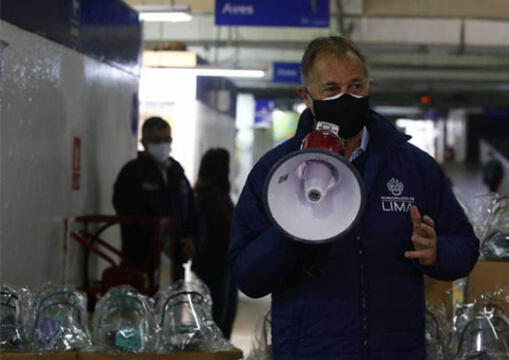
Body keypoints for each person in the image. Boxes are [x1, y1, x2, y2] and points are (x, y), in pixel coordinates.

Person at [229, 36, 479, 359]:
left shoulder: (413, 167)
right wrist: (291, 229)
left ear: (369, 87)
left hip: (396, 351)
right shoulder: (274, 174)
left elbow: (466, 246)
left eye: (356, 86)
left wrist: (437, 252)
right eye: (332, 89)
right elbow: (248, 276)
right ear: (307, 96)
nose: (347, 97)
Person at [113, 116, 195, 284]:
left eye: (167, 139)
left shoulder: (177, 173)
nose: (163, 145)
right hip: (141, 262)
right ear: (144, 143)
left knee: (171, 306)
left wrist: (190, 240)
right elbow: (127, 212)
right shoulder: (132, 173)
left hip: (174, 261)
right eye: (157, 140)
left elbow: (192, 211)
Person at [191, 148, 237, 339]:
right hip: (216, 265)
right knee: (219, 318)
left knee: (220, 316)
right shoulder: (213, 198)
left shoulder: (208, 195)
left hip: (216, 264)